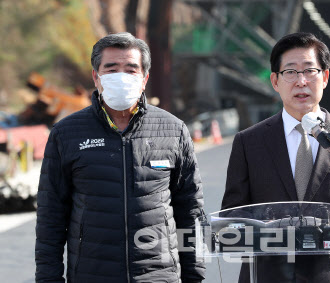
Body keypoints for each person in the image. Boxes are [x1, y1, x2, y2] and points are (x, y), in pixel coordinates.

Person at [35, 32, 205, 283]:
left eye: (130, 69)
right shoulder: (66, 133)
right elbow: (50, 216)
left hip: (158, 275)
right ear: (96, 76)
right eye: (111, 69)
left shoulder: (173, 130)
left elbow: (190, 211)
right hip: (92, 275)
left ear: (144, 78)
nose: (121, 77)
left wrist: (195, 277)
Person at [221, 32, 330, 282]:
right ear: (275, 81)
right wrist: (273, 231)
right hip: (266, 274)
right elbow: (232, 215)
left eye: (309, 70)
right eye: (291, 72)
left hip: (329, 273)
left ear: (325, 77)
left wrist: (321, 233)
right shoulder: (248, 142)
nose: (301, 81)